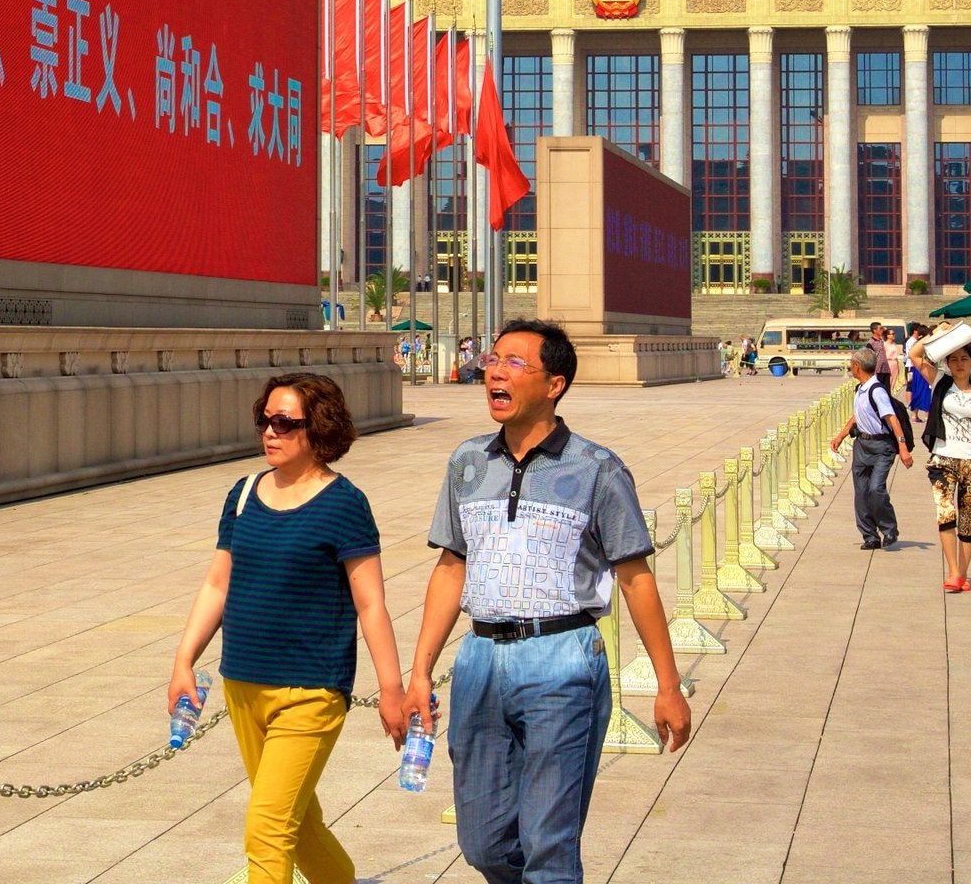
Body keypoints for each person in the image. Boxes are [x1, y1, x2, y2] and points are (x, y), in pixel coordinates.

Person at [406, 319, 692, 883]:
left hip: (562, 658)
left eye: (514, 362)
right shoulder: (468, 462)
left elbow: (635, 577)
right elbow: (450, 565)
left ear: (554, 384)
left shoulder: (597, 469)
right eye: (493, 359)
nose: (494, 370)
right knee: (484, 842)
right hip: (480, 660)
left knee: (548, 845)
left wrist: (667, 685)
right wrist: (420, 672)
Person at [169, 374, 402, 884]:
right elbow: (217, 584)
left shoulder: (344, 503)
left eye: (283, 423)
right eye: (264, 420)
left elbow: (371, 604)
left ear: (317, 430)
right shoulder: (243, 493)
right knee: (301, 825)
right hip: (243, 685)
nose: (269, 432)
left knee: (267, 829)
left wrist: (391, 689)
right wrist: (184, 662)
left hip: (311, 690)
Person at [922, 338, 971, 591]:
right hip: (943, 458)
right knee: (945, 513)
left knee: (969, 520)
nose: (959, 364)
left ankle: (962, 574)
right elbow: (914, 354)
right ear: (947, 363)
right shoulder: (939, 384)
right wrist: (937, 335)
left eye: (964, 358)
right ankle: (953, 570)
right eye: (953, 359)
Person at [828, 345, 913, 549]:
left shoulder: (877, 391)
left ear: (857, 367)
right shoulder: (861, 389)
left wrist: (903, 448)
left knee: (876, 489)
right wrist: (841, 436)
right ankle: (870, 536)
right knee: (861, 492)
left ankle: (889, 528)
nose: (850, 368)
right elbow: (858, 416)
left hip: (882, 446)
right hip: (862, 445)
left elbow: (892, 419)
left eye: (851, 365)